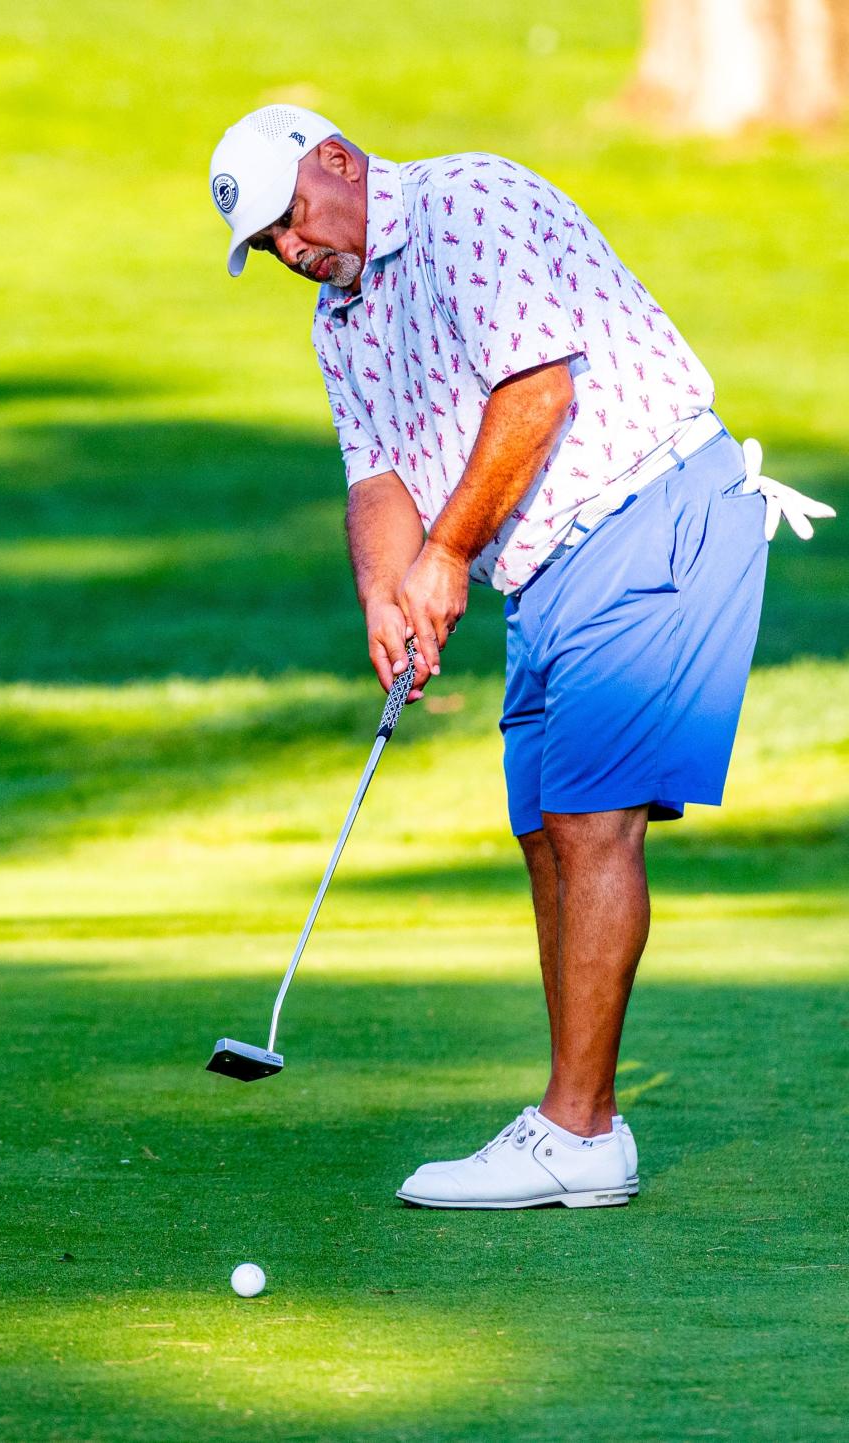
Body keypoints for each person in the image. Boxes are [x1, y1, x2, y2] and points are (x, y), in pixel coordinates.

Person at [209, 105, 834, 1210]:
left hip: (649, 507)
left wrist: (445, 555)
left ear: (339, 162)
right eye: (270, 246)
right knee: (546, 825)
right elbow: (376, 478)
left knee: (595, 822)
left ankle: (579, 1132)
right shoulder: (338, 319)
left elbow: (536, 393)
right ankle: (573, 1117)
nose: (291, 251)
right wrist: (387, 593)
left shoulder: (470, 203)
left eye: (290, 220)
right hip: (545, 568)